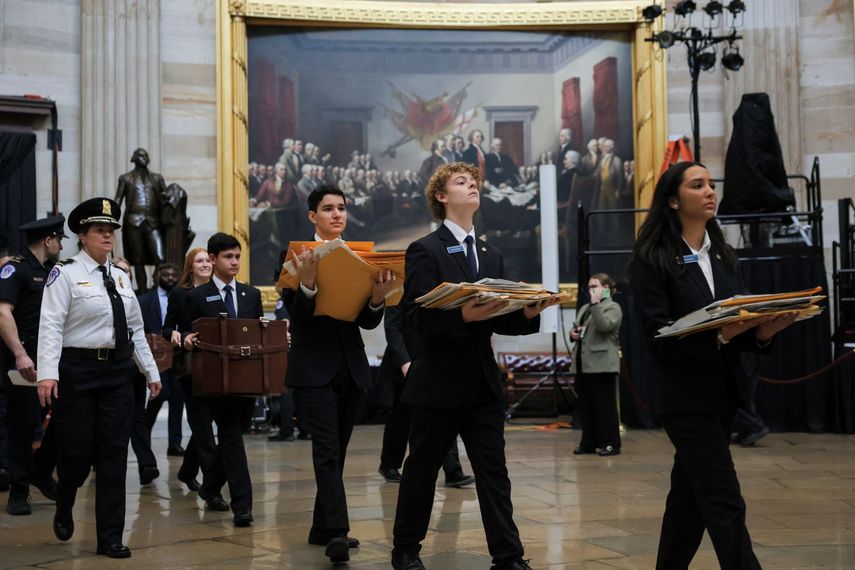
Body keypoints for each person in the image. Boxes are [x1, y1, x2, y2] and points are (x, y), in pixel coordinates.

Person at [391, 163, 560, 570]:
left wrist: (527, 312)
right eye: (462, 182)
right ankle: (406, 549)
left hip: (482, 381)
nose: (473, 186)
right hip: (437, 381)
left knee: (493, 472)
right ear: (442, 197)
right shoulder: (425, 250)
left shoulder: (490, 253)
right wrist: (462, 317)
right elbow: (413, 318)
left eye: (475, 182)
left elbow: (498, 318)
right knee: (422, 470)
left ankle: (508, 556)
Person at [629, 162, 798, 569]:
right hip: (683, 398)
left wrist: (763, 331)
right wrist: (722, 335)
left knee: (688, 499)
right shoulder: (652, 259)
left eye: (711, 184)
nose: (709, 191)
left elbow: (739, 327)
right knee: (724, 499)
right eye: (697, 185)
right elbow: (657, 338)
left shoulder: (722, 254)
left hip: (723, 392)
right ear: (673, 200)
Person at [37, 197, 162, 559]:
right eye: (99, 230)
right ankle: (65, 498)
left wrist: (151, 372)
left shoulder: (121, 278)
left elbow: (135, 330)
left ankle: (110, 537)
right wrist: (47, 374)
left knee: (113, 454)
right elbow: (50, 326)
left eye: (111, 230)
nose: (107, 235)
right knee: (76, 452)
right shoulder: (65, 273)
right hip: (76, 371)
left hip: (118, 374)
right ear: (82, 235)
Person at [285, 185, 398, 565]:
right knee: (327, 451)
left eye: (342, 208)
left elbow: (366, 320)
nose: (337, 214)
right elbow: (299, 319)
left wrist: (378, 297)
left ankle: (321, 526)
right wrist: (309, 282)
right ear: (312, 216)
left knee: (340, 451)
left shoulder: (360, 256)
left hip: (351, 367)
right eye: (328, 209)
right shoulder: (298, 257)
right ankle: (336, 532)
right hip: (313, 368)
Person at [178, 233, 263, 528]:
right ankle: (243, 505)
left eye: (238, 256)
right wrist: (186, 339)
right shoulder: (195, 297)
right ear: (213, 260)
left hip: (247, 379)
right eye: (229, 257)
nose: (235, 262)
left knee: (233, 435)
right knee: (231, 436)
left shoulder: (251, 295)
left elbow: (258, 336)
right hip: (214, 380)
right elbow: (184, 332)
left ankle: (210, 486)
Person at [0, 215, 65, 515]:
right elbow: (3, 312)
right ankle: (19, 488)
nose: (62, 245)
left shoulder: (54, 271)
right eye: (59, 240)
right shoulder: (16, 268)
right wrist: (20, 353)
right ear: (48, 240)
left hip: (52, 356)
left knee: (64, 418)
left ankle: (40, 471)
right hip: (25, 358)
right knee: (23, 424)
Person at [377, 304, 475, 487]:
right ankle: (389, 464)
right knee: (400, 418)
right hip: (403, 364)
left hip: (430, 362)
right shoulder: (399, 289)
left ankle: (453, 471)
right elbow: (393, 328)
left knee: (443, 413)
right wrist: (404, 362)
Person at [162, 247, 214, 494]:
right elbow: (167, 328)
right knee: (203, 426)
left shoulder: (218, 292)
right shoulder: (179, 294)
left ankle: (187, 472)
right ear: (190, 266)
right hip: (190, 366)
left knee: (204, 424)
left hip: (216, 365)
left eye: (207, 260)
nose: (205, 264)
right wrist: (178, 336)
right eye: (199, 261)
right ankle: (212, 485)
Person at [112, 256, 160, 486]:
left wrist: (150, 370)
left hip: (136, 367)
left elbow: (143, 334)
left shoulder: (137, 300)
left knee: (137, 415)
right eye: (119, 270)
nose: (124, 275)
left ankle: (146, 464)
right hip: (112, 368)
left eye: (127, 272)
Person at [569, 273, 622, 457]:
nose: (591, 290)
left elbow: (604, 326)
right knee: (586, 406)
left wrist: (596, 304)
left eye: (595, 286)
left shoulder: (612, 307)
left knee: (604, 406)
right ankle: (588, 442)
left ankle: (611, 443)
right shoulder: (585, 307)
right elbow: (577, 326)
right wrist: (573, 333)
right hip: (584, 364)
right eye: (589, 287)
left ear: (606, 288)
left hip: (602, 364)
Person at [140, 262, 186, 456]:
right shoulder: (145, 300)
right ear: (157, 276)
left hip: (177, 354)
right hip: (155, 355)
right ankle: (144, 436)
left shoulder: (182, 297)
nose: (170, 278)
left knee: (178, 398)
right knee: (160, 394)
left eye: (173, 274)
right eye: (165, 274)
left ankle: (174, 443)